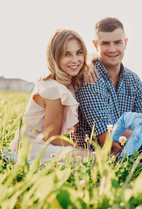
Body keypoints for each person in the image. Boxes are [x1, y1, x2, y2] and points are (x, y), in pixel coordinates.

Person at [10, 29, 94, 163]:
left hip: (38, 146)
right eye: (67, 54)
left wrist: (91, 61)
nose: (75, 60)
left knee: (91, 157)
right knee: (92, 158)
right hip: (33, 148)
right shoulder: (54, 89)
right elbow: (51, 138)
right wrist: (81, 150)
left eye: (79, 53)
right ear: (55, 57)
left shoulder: (64, 83)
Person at [74, 17, 142, 149]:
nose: (112, 49)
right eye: (105, 43)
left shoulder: (134, 81)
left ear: (125, 43)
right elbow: (106, 136)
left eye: (117, 42)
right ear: (96, 45)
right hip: (94, 158)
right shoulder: (89, 78)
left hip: (136, 150)